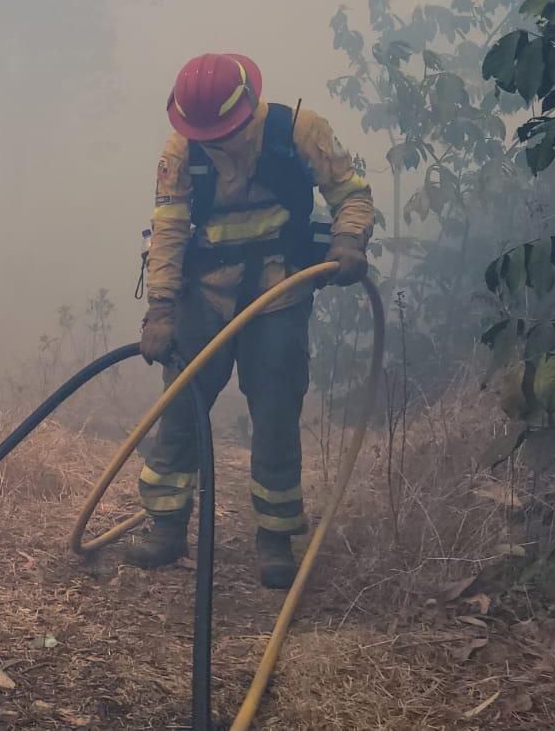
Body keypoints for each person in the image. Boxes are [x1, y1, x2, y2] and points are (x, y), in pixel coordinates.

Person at [129, 52, 374, 588]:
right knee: (180, 407)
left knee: (276, 410)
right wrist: (161, 309)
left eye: (223, 132)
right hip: (204, 299)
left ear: (245, 110)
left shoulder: (299, 131)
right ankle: (166, 528)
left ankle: (275, 538)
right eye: (205, 134)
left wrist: (348, 239)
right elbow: (168, 230)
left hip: (277, 292)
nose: (215, 142)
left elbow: (351, 193)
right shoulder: (181, 151)